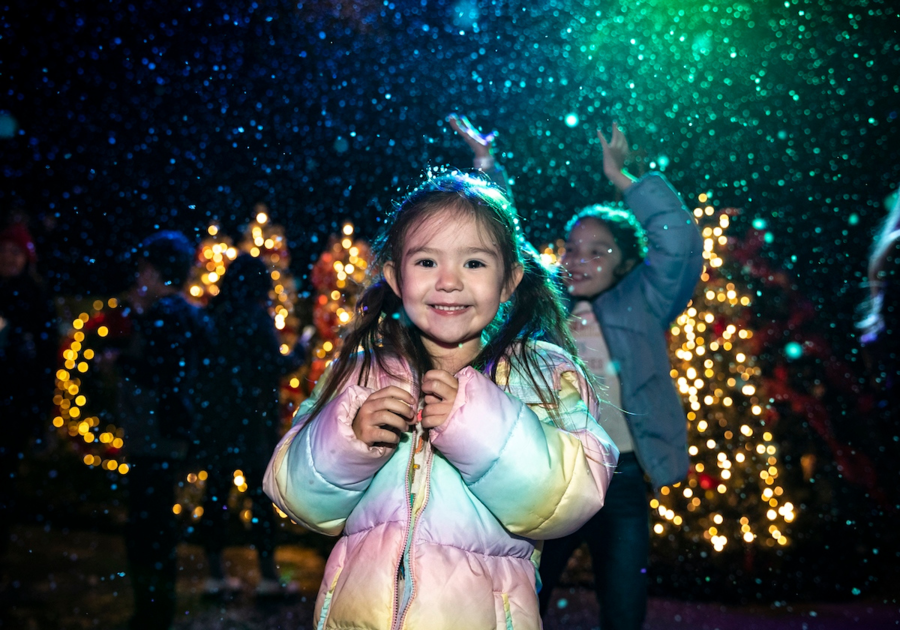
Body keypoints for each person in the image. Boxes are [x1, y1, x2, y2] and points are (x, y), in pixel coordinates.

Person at [264, 171, 619, 629]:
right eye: (427, 262)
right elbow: (294, 494)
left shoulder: (540, 373)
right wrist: (348, 440)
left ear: (509, 278)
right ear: (395, 275)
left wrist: (476, 425)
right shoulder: (361, 371)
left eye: (473, 263)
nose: (449, 282)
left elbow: (573, 493)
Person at [449, 114, 704, 630]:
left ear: (628, 263)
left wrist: (623, 179)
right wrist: (486, 167)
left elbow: (679, 244)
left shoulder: (644, 300)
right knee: (521, 601)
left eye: (597, 251)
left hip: (625, 479)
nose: (578, 260)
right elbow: (506, 242)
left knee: (624, 607)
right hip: (554, 472)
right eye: (571, 248)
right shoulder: (546, 304)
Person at [196, 253, 307, 597]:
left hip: (218, 420)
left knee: (215, 493)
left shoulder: (212, 316)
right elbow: (275, 364)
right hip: (253, 421)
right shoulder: (257, 318)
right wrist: (301, 350)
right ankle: (267, 579)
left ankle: (215, 575)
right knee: (261, 499)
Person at [115, 231, 211, 630]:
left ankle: (152, 613)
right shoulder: (187, 313)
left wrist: (120, 362)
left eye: (142, 270)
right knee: (155, 525)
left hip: (154, 434)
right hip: (168, 433)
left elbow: (159, 373)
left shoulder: (164, 315)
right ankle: (156, 609)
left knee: (148, 527)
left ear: (153, 272)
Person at [0, 221, 58, 563]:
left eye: (14, 252)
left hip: (14, 405)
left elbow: (46, 358)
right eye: (4, 251)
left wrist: (40, 412)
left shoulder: (35, 298)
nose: (8, 258)